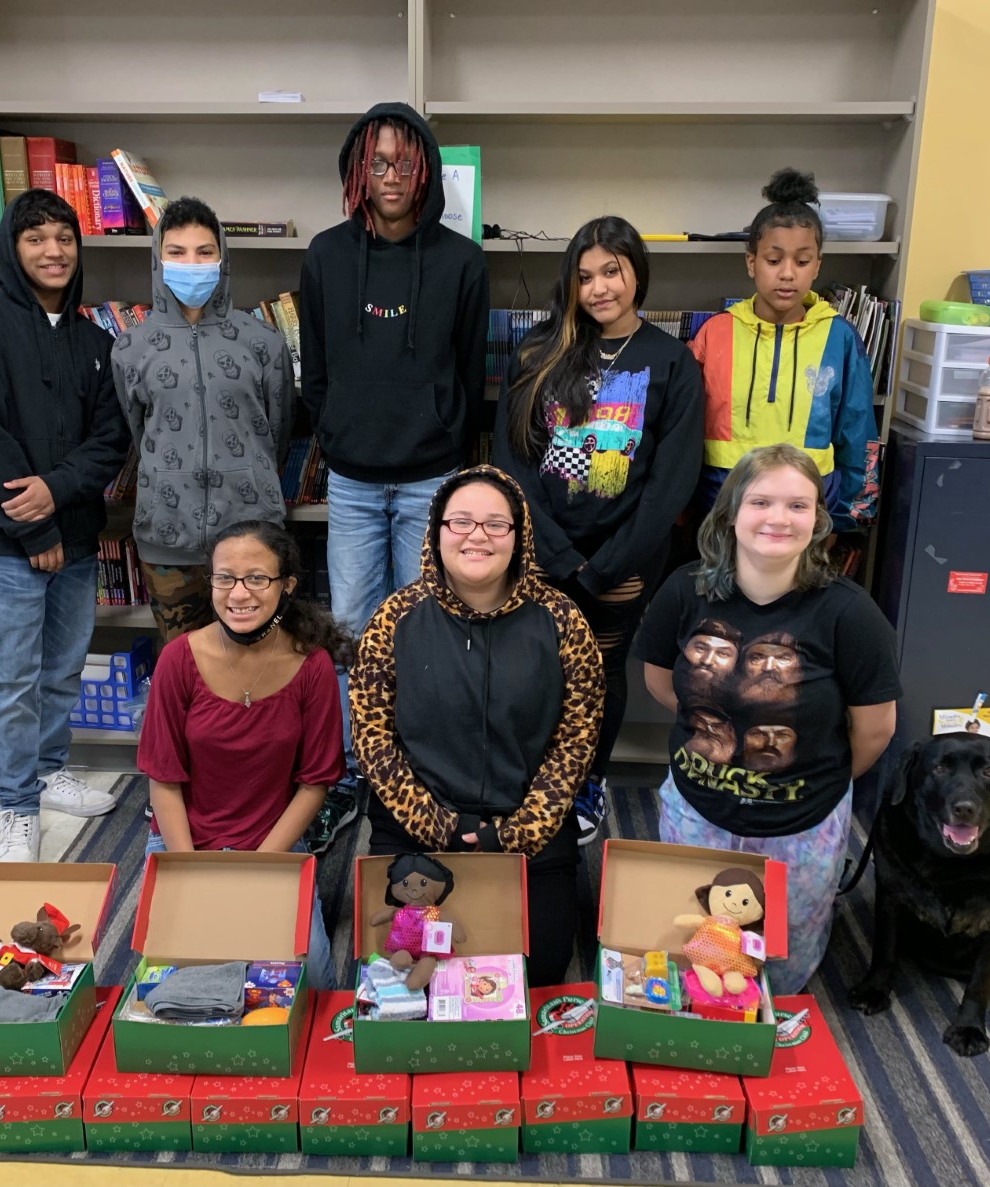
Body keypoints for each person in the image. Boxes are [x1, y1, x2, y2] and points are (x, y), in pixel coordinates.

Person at [633, 444, 900, 993]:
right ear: (731, 512)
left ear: (817, 520)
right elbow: (663, 686)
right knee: (693, 954)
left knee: (778, 970)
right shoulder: (684, 589)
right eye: (761, 501)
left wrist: (811, 780)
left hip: (800, 826)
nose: (779, 519)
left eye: (798, 506)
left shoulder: (850, 613)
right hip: (697, 811)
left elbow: (875, 730)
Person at [300, 100, 491, 853]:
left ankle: (406, 760)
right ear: (357, 168)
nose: (390, 175)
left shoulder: (461, 261)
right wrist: (336, 428)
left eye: (404, 162)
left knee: (421, 624)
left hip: (430, 478)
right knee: (351, 627)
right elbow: (313, 370)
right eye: (376, 161)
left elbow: (472, 375)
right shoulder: (324, 255)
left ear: (426, 173)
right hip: (349, 477)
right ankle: (354, 768)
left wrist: (444, 434)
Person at [0, 189, 131, 862]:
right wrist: (34, 528)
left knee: (62, 669)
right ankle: (16, 803)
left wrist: (58, 493)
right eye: (36, 238)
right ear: (12, 251)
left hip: (73, 537)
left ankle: (49, 769)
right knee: (12, 675)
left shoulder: (94, 341)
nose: (54, 251)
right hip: (0, 543)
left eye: (65, 238)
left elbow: (110, 440)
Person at [349, 466, 604, 987]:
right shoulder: (395, 618)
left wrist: (522, 830)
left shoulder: (562, 619)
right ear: (436, 531)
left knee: (541, 968)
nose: (477, 536)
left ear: (519, 535)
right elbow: (373, 739)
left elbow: (577, 738)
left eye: (495, 524)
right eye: (460, 521)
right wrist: (438, 826)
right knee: (394, 970)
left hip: (527, 826)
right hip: (417, 822)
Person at [493, 215, 703, 846]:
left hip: (625, 560)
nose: (599, 288)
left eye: (611, 271)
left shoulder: (672, 361)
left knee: (600, 676)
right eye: (584, 276)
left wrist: (606, 566)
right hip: (542, 553)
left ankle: (587, 783)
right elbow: (512, 461)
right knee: (538, 672)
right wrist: (555, 555)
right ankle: (533, 781)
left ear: (637, 270)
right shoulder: (539, 351)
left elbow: (672, 480)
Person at [135, 520, 349, 990]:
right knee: (171, 989)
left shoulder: (312, 665)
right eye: (224, 577)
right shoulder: (178, 659)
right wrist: (194, 876)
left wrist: (256, 873)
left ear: (286, 585)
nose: (238, 593)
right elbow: (164, 781)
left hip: (272, 845)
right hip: (183, 844)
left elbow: (315, 783)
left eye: (257, 578)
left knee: (310, 985)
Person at [111, 195, 295, 641]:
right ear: (159, 260)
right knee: (184, 668)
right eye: (177, 252)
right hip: (167, 541)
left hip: (250, 537)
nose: (191, 263)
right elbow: (137, 431)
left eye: (204, 252)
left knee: (256, 667)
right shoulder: (131, 347)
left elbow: (280, 431)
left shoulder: (263, 341)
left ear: (222, 258)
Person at [687, 168, 874, 534]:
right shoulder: (715, 332)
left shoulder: (839, 338)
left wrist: (844, 520)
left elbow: (858, 431)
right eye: (774, 261)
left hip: (806, 515)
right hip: (721, 511)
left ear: (817, 265)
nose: (787, 274)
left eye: (802, 262)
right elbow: (682, 431)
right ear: (751, 262)